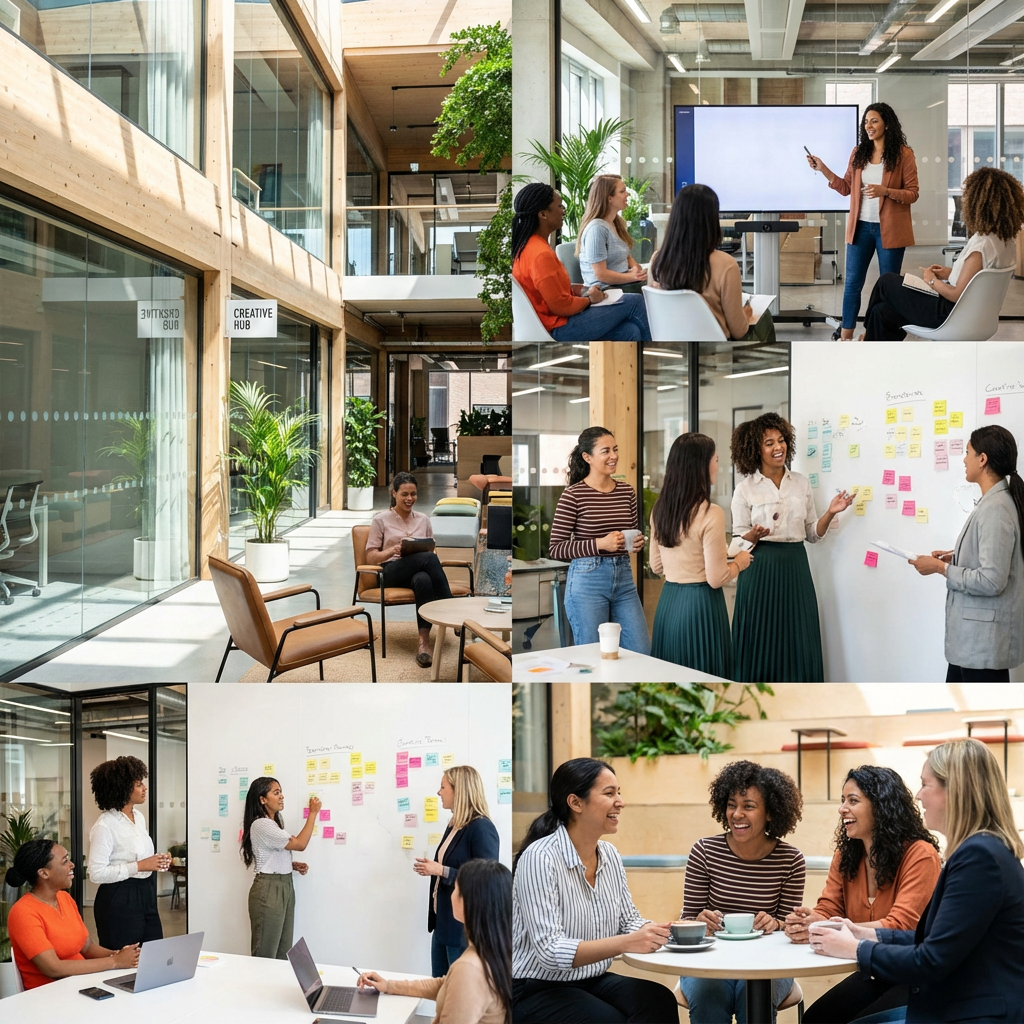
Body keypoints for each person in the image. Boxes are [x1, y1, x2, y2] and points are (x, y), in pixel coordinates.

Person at [810, 740, 1024, 1024]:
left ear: (955, 791)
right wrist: (862, 933)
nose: (919, 795)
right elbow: (937, 940)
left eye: (925, 784)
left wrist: (855, 949)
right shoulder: (982, 850)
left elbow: (931, 960)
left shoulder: (978, 857)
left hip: (977, 1013)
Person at [512, 757, 678, 1023]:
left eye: (619, 792)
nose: (620, 802)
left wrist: (669, 931)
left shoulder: (609, 854)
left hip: (590, 978)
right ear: (575, 803)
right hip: (536, 988)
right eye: (609, 793)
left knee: (659, 1000)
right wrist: (627, 942)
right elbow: (550, 951)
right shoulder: (539, 858)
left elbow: (629, 921)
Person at [785, 766, 942, 1024]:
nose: (842, 809)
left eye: (853, 800)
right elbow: (829, 908)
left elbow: (902, 925)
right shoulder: (846, 856)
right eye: (843, 800)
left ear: (881, 806)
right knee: (815, 1019)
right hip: (875, 970)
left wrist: (837, 928)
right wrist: (810, 921)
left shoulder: (920, 854)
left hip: (912, 974)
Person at [730, 412, 854, 682]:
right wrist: (752, 535)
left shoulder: (800, 482)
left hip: (795, 566)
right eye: (769, 443)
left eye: (782, 440)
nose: (778, 447)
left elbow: (811, 534)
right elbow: (737, 543)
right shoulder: (745, 489)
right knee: (761, 640)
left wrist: (831, 512)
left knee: (799, 636)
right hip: (759, 568)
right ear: (755, 450)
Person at [680, 761, 805, 1024]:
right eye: (731, 805)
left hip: (769, 961)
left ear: (770, 813)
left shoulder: (790, 860)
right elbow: (687, 919)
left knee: (753, 997)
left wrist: (776, 923)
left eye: (748, 806)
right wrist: (699, 921)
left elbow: (791, 927)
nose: (736, 814)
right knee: (709, 997)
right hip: (711, 959)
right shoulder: (705, 852)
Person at [911, 424, 1024, 681]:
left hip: (982, 646)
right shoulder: (994, 502)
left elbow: (992, 580)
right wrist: (957, 557)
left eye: (967, 452)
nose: (964, 460)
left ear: (982, 459)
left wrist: (941, 568)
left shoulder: (996, 508)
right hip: (973, 644)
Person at [861, 167, 1024, 339]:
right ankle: (871, 345)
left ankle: (865, 335)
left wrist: (931, 280)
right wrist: (950, 273)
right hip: (972, 314)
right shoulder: (1004, 242)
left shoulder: (981, 246)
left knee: (886, 281)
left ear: (978, 204)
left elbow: (956, 294)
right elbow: (977, 280)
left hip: (949, 313)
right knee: (882, 312)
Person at [806, 103, 918, 340]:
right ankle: (846, 335)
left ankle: (876, 334)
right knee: (852, 285)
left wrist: (885, 191)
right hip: (860, 229)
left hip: (890, 230)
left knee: (888, 288)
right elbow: (846, 187)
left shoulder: (903, 154)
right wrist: (823, 169)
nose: (869, 125)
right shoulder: (859, 153)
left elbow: (912, 193)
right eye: (866, 122)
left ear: (887, 124)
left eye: (874, 121)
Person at [649, 432, 753, 678]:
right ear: (701, 466)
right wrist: (739, 562)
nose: (718, 465)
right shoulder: (711, 512)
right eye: (715, 459)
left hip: (668, 605)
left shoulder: (660, 509)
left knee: (671, 682)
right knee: (706, 681)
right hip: (700, 607)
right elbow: (716, 578)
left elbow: (656, 566)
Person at [359, 859, 511, 1024]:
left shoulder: (470, 968)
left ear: (469, 901)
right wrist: (388, 986)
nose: (451, 894)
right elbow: (445, 984)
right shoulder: (494, 951)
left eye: (455, 888)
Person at [548, 427, 650, 656]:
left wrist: (637, 543)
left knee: (640, 651)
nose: (614, 456)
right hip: (587, 583)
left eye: (615, 449)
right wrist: (600, 544)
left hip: (624, 580)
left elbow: (633, 532)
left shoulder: (627, 492)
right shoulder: (573, 495)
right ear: (587, 457)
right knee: (592, 656)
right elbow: (556, 548)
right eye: (606, 451)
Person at [512, 182, 652, 340]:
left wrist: (582, 290)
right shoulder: (540, 254)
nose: (564, 211)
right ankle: (664, 351)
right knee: (635, 302)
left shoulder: (529, 247)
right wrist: (589, 299)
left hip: (556, 321)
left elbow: (552, 291)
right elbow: (560, 306)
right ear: (543, 214)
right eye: (559, 206)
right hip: (559, 326)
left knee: (630, 331)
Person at [6, 837, 140, 989]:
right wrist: (115, 962)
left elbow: (87, 948)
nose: (72, 865)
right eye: (64, 861)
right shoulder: (23, 912)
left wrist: (121, 955)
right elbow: (53, 969)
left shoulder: (64, 898)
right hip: (50, 994)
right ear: (44, 873)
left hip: (83, 984)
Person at [649, 183, 776, 341]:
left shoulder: (657, 260)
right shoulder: (726, 264)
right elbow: (738, 331)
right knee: (764, 317)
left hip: (670, 342)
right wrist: (746, 313)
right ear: (711, 220)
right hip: (716, 346)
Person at [413, 765, 500, 976]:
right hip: (443, 923)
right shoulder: (454, 825)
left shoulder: (481, 828)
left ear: (459, 790)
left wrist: (441, 870)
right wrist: (436, 869)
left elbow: (486, 880)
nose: (439, 792)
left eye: (443, 787)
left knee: (459, 988)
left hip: (462, 929)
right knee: (440, 987)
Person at [365, 471, 454, 668]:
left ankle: (424, 645)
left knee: (424, 579)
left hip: (417, 570)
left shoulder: (423, 519)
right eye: (404, 494)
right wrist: (393, 550)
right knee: (428, 559)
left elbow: (431, 549)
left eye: (413, 494)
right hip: (390, 572)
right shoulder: (380, 520)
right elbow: (370, 557)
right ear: (394, 493)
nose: (409, 498)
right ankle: (451, 608)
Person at [87, 754, 170, 951]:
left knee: (154, 952)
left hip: (146, 892)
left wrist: (157, 861)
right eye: (139, 784)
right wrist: (140, 866)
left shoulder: (139, 817)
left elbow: (138, 856)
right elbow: (96, 873)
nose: (145, 788)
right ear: (123, 788)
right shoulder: (105, 826)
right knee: (125, 959)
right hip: (119, 897)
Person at [240, 776, 319, 959]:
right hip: (269, 890)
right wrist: (313, 813)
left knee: (283, 952)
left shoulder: (273, 824)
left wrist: (290, 865)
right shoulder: (261, 824)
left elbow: (269, 855)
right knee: (265, 953)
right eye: (276, 793)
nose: (281, 796)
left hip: (284, 886)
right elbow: (300, 844)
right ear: (262, 799)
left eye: (281, 792)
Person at [576, 175, 648, 293]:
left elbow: (625, 255)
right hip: (604, 290)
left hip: (622, 286)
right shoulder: (597, 229)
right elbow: (601, 275)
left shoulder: (616, 223)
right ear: (609, 198)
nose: (627, 195)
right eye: (622, 191)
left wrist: (635, 268)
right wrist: (632, 277)